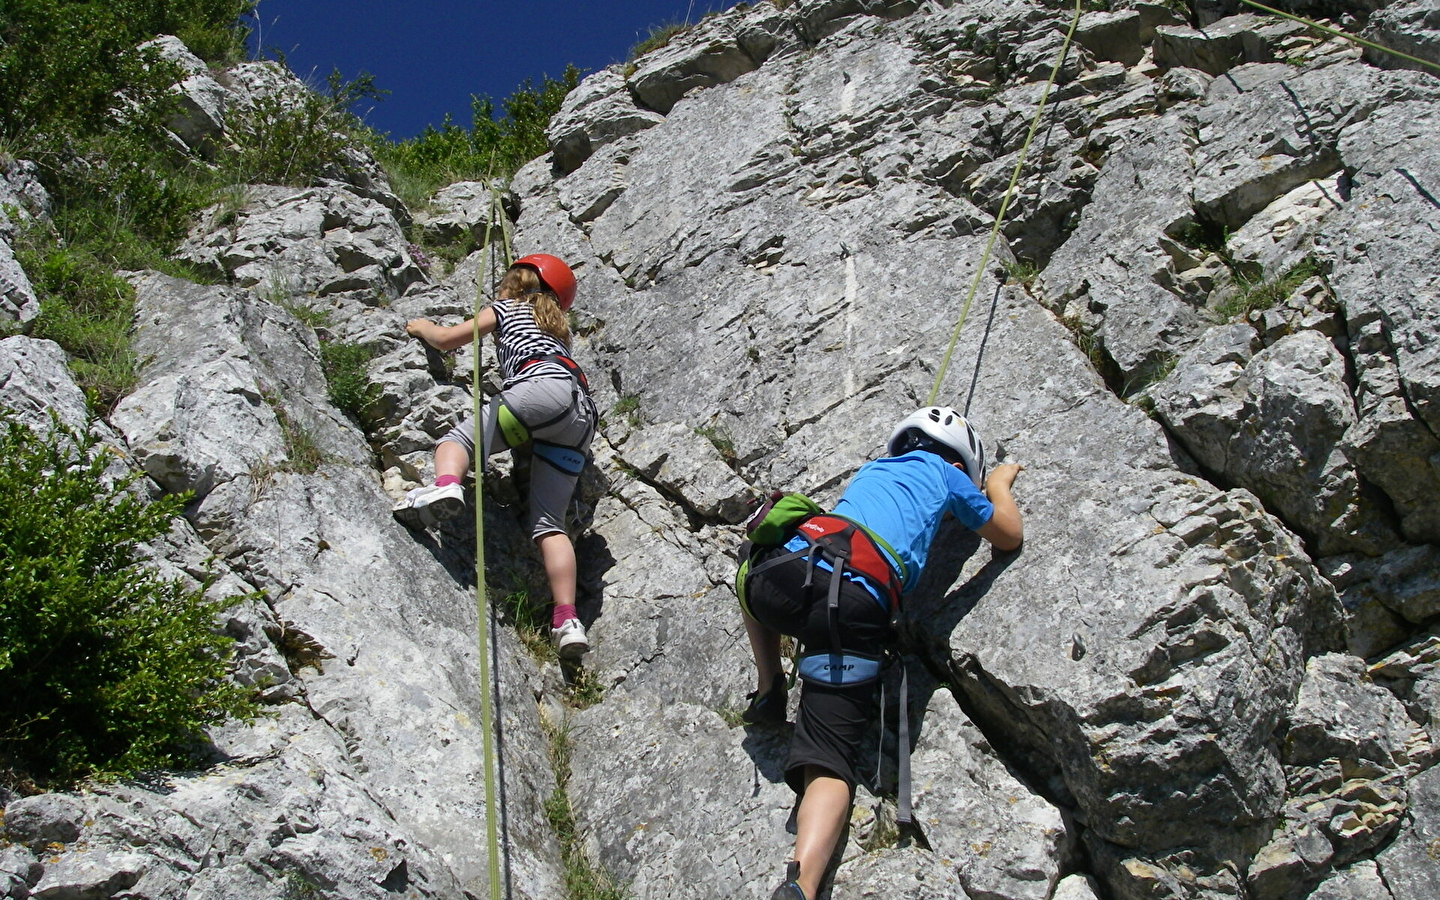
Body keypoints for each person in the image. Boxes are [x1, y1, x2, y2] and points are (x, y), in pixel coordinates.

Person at [738, 406, 1024, 900]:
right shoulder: (947, 473)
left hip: (786, 571)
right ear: (962, 465)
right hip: (854, 608)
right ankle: (799, 885)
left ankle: (769, 687)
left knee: (750, 564)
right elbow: (1007, 536)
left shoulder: (873, 468)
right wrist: (997, 486)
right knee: (828, 763)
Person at [394, 254, 597, 659]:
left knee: (457, 441)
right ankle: (567, 619)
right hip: (581, 415)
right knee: (549, 524)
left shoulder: (508, 307)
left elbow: (449, 339)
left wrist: (421, 327)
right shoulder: (557, 329)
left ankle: (445, 488)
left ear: (513, 285)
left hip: (541, 389)